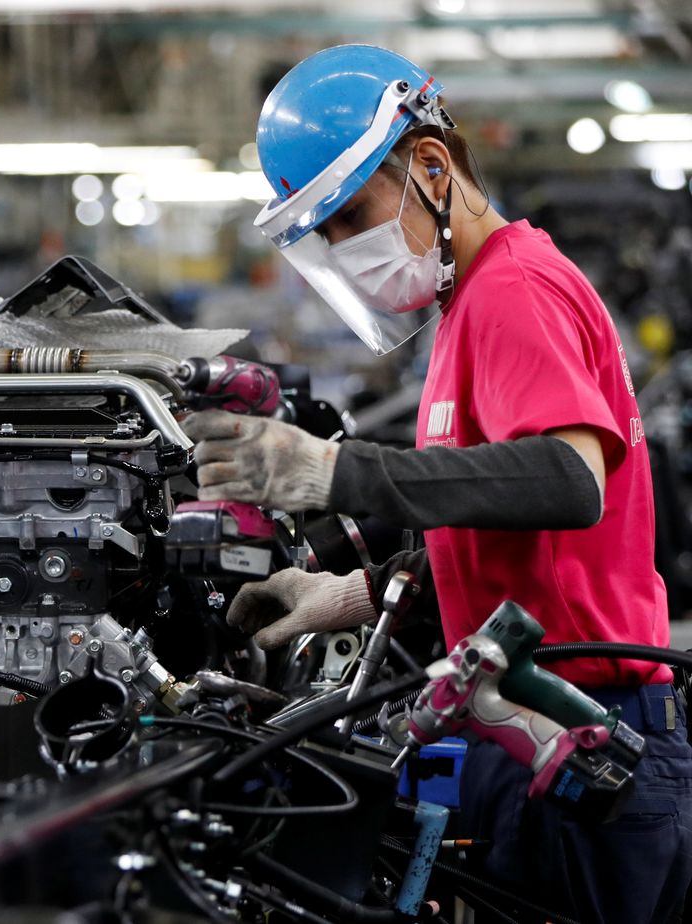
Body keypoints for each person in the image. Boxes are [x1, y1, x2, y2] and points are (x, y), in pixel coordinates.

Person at [181, 44, 692, 923]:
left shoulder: (513, 291)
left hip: (580, 724)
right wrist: (350, 592)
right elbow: (494, 521)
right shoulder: (472, 303)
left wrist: (335, 470)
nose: (346, 251)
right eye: (326, 235)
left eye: (351, 218)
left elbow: (569, 483)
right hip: (520, 717)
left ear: (430, 163)